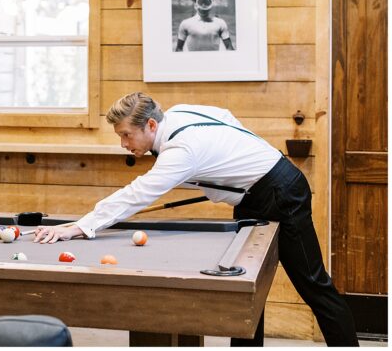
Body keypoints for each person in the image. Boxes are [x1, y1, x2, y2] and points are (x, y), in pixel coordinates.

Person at [33, 92, 359, 347]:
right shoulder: (179, 112)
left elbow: (138, 193)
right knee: (248, 289)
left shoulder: (181, 151)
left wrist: (82, 226)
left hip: (281, 193)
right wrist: (232, 167)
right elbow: (226, 118)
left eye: (127, 135)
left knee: (313, 284)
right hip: (253, 195)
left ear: (150, 125)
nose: (123, 144)